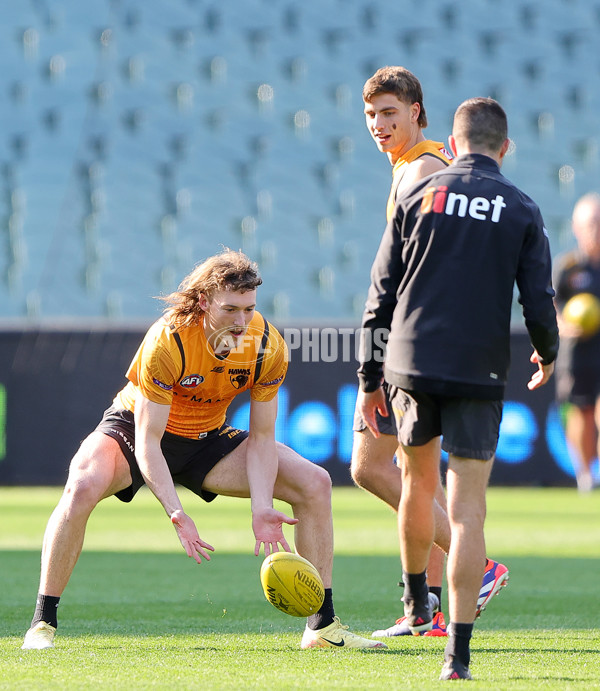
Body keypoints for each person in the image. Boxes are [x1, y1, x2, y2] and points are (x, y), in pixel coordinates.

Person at [22, 250, 386, 652]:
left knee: (314, 482)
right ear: (204, 302)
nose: (241, 321)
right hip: (135, 429)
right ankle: (43, 623)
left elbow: (262, 438)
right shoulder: (168, 339)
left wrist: (261, 506)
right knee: (82, 485)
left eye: (249, 309)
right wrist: (176, 511)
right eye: (230, 308)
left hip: (207, 439)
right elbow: (148, 440)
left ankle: (322, 627)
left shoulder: (267, 344)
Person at [357, 98, 558, 680]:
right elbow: (539, 300)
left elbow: (379, 299)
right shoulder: (521, 207)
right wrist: (549, 353)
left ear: (451, 139)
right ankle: (458, 656)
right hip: (480, 370)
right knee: (467, 510)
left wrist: (370, 381)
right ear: (506, 147)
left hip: (411, 365)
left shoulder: (417, 194)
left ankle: (416, 604)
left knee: (417, 486)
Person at [352, 66, 508, 639]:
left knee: (372, 467)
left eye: (389, 113)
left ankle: (474, 568)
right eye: (371, 115)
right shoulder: (420, 166)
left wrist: (376, 362)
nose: (378, 125)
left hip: (408, 348)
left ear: (417, 111)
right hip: (428, 345)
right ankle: (427, 606)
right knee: (412, 475)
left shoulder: (419, 170)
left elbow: (402, 277)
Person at [553, 192, 600, 492]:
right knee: (581, 411)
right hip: (577, 353)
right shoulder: (568, 266)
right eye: (592, 223)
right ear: (577, 228)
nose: (596, 230)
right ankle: (585, 476)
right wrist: (565, 325)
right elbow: (551, 305)